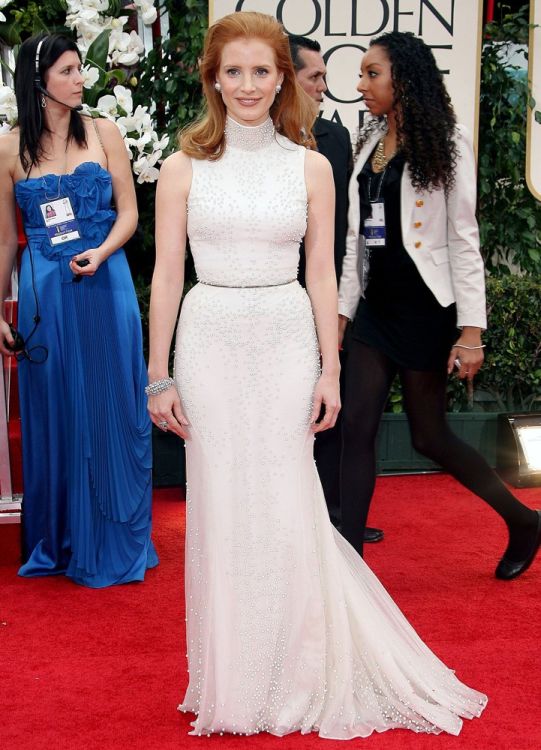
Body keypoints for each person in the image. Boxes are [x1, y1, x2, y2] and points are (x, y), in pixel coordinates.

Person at [148, 11, 486, 738]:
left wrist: (330, 370)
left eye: (260, 72)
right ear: (213, 79)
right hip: (209, 342)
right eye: (232, 71)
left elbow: (324, 276)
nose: (246, 85)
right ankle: (233, 681)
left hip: (284, 339)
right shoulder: (180, 168)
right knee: (220, 506)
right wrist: (158, 373)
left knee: (287, 499)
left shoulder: (311, 167)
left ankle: (297, 670)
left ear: (282, 80)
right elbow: (167, 275)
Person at [338, 31, 541, 577]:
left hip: (426, 310)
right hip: (375, 309)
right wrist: (342, 312)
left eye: (372, 73)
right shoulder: (370, 139)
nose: (361, 84)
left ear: (403, 78)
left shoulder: (448, 142)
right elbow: (358, 238)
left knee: (429, 436)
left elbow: (463, 238)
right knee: (355, 426)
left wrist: (471, 332)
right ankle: (349, 566)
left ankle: (523, 520)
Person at [0, 33, 158, 587]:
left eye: (79, 68)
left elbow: (130, 213)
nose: (80, 79)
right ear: (38, 80)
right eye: (67, 71)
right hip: (46, 295)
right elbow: (5, 241)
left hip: (105, 281)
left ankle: (115, 534)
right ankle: (62, 539)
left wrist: (103, 251)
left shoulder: (105, 132)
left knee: (114, 403)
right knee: (58, 413)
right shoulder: (8, 149)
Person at [288, 34, 383, 543]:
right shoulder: (261, 139)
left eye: (325, 76)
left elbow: (350, 222)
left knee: (330, 401)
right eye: (315, 77)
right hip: (275, 289)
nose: (325, 87)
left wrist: (345, 296)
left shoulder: (336, 136)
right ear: (288, 79)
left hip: (328, 289)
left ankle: (337, 515)